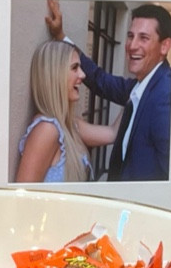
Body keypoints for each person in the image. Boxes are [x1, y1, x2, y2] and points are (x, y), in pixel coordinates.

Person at [44, 0, 171, 181]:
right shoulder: (139, 86)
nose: (132, 45)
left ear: (165, 46)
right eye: (130, 36)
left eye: (143, 38)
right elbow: (99, 79)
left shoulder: (166, 96)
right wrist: (61, 37)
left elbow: (170, 174)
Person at [13, 40, 119, 183]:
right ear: (55, 75)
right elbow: (22, 197)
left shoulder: (70, 125)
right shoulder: (47, 130)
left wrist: (139, 85)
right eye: (75, 68)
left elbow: (113, 133)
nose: (82, 75)